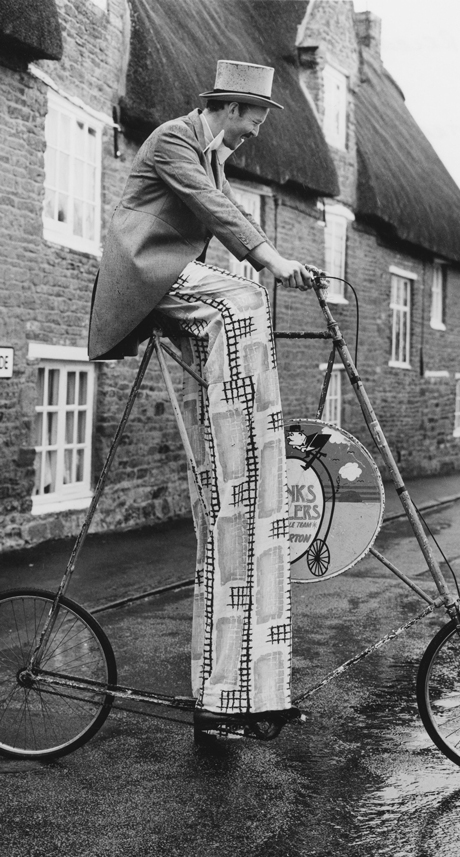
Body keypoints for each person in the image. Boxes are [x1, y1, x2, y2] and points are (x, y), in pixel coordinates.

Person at [88, 60, 314, 736]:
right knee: (243, 302)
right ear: (227, 106)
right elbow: (212, 209)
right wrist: (267, 260)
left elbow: (227, 210)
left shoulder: (210, 152)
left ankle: (226, 698)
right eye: (252, 117)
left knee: (228, 520)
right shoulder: (172, 140)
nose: (254, 131)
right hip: (144, 274)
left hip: (176, 274)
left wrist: (252, 252)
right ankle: (248, 430)